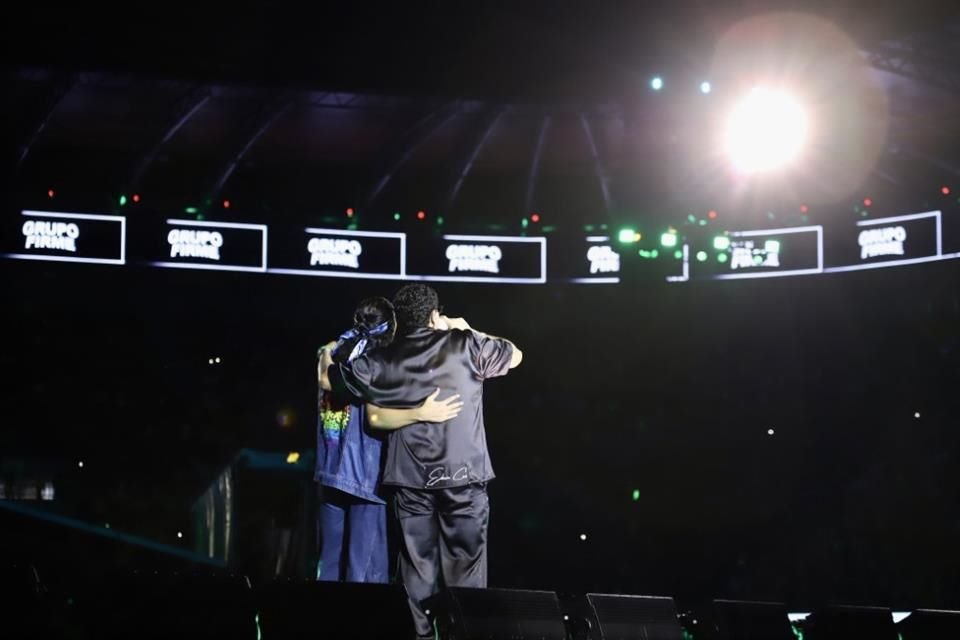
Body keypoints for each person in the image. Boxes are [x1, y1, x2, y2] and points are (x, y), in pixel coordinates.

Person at [322, 284, 522, 639]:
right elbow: (515, 354)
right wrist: (464, 326)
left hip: (411, 481)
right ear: (434, 315)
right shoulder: (465, 344)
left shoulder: (382, 359)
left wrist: (331, 352)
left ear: (398, 319)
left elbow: (336, 380)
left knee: (416, 576)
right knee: (468, 575)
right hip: (464, 478)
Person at [314, 296, 464, 584]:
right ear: (390, 326)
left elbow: (324, 379)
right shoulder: (377, 361)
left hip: (329, 475)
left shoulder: (330, 352)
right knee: (365, 573)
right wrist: (422, 412)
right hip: (365, 479)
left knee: (328, 567)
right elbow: (375, 416)